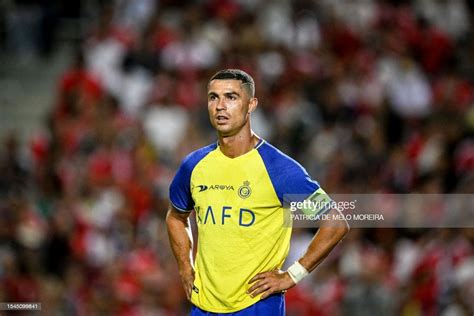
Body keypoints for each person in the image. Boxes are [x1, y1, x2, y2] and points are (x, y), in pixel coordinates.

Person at [166, 69, 349, 315]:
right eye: (213, 97)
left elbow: (335, 221)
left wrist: (292, 275)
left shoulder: (279, 169)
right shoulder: (194, 165)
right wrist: (185, 268)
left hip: (257, 306)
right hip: (203, 306)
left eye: (231, 97)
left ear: (251, 104)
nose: (220, 106)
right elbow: (176, 216)